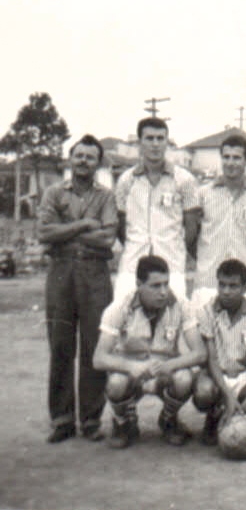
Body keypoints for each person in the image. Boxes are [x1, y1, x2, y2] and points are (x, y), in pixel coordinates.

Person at [37, 135, 117, 443]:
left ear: (98, 162)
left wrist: (65, 232)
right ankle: (62, 418)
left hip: (95, 275)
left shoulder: (107, 197)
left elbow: (108, 238)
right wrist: (85, 226)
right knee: (60, 345)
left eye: (90, 157)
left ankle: (91, 419)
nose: (84, 161)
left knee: (94, 346)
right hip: (60, 273)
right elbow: (44, 232)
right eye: (79, 155)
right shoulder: (54, 193)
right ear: (70, 159)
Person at [93, 255, 206, 448]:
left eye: (166, 284)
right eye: (155, 286)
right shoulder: (120, 307)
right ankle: (123, 422)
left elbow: (200, 353)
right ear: (139, 284)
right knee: (116, 383)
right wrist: (131, 367)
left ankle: (169, 419)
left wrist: (168, 365)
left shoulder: (181, 304)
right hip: (132, 374)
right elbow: (99, 358)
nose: (163, 292)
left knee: (184, 378)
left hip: (164, 372)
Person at [192, 260, 246, 445]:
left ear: (245, 288)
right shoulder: (206, 310)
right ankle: (215, 414)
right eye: (222, 285)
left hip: (244, 375)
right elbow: (212, 359)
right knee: (203, 393)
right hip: (216, 374)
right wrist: (228, 396)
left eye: (233, 286)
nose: (226, 291)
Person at [114, 117, 200, 300]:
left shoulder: (184, 180)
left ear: (167, 142)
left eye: (160, 138)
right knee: (126, 316)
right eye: (149, 138)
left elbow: (192, 227)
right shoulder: (126, 180)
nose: (155, 144)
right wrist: (135, 243)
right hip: (132, 265)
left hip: (171, 265)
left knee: (172, 319)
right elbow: (120, 225)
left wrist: (175, 248)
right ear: (139, 143)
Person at [193, 134, 246, 304]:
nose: (230, 162)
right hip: (209, 279)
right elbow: (192, 236)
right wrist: (206, 257)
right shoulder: (203, 194)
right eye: (226, 157)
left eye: (236, 158)